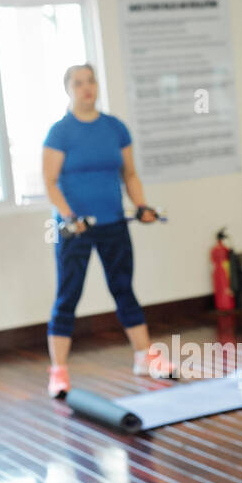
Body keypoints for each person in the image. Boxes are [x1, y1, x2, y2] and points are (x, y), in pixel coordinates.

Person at [41, 62, 176, 398]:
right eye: (78, 83)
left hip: (114, 223)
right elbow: (50, 181)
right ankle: (58, 372)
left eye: (91, 81)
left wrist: (142, 206)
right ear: (68, 90)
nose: (86, 88)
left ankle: (145, 358)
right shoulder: (60, 132)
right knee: (68, 295)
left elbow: (129, 175)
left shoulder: (115, 128)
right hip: (75, 229)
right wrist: (69, 216)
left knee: (123, 288)